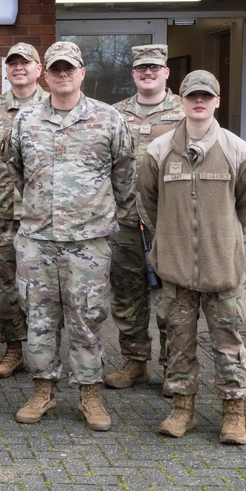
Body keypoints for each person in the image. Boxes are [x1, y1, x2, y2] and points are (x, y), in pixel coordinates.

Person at [8, 41, 134, 432]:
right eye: (56, 69)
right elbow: (17, 171)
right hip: (37, 240)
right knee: (40, 319)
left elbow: (125, 177)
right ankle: (43, 389)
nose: (62, 75)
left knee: (87, 319)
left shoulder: (108, 120)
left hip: (88, 242)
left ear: (82, 73)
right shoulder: (26, 121)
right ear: (46, 75)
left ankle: (89, 393)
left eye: (70, 69)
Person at [137, 70, 246, 445]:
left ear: (217, 102)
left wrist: (229, 241)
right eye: (192, 95)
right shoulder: (158, 150)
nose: (199, 102)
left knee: (228, 343)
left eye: (206, 97)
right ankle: (182, 409)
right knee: (178, 342)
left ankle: (233, 413)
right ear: (180, 101)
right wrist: (168, 239)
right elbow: (147, 204)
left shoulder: (237, 150)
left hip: (223, 268)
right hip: (175, 269)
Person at [104, 44, 184, 393]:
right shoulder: (114, 113)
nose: (148, 73)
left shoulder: (186, 111)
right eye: (141, 69)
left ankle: (172, 367)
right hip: (124, 216)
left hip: (168, 218)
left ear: (166, 72)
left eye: (154, 68)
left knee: (171, 294)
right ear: (133, 74)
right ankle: (135, 362)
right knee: (127, 291)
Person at [0, 42, 46, 378]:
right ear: (6, 70)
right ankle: (13, 348)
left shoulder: (54, 106)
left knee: (45, 285)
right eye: (13, 63)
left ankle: (44, 351)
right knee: (4, 283)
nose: (19, 68)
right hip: (3, 212)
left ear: (39, 69)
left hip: (44, 215)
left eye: (26, 62)